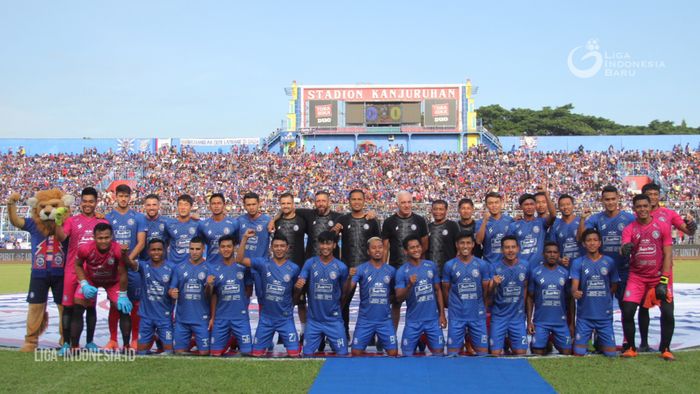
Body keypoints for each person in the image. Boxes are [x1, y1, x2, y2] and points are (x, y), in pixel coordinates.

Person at [6, 190, 69, 352]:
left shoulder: (67, 224)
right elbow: (16, 221)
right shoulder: (34, 225)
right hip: (38, 273)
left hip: (61, 274)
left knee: (64, 307)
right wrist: (11, 205)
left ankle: (65, 340)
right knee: (35, 307)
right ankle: (31, 340)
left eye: (54, 206)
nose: (48, 210)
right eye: (43, 207)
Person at [636, 183, 695, 353]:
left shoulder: (668, 214)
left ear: (659, 196)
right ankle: (644, 343)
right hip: (643, 270)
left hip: (664, 269)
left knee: (667, 309)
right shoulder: (637, 214)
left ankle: (665, 345)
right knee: (643, 307)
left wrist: (691, 226)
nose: (653, 197)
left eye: (655, 194)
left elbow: (688, 231)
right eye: (649, 194)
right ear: (644, 196)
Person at [620, 194, 675, 360]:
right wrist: (625, 249)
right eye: (639, 206)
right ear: (634, 209)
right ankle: (631, 347)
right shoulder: (630, 228)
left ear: (650, 207)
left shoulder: (662, 227)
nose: (642, 209)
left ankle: (665, 348)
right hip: (636, 277)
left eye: (645, 206)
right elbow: (623, 247)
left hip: (658, 277)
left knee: (667, 312)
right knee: (628, 312)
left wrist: (663, 281)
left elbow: (667, 255)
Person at [54, 187, 108, 355]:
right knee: (68, 307)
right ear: (80, 202)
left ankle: (90, 342)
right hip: (71, 270)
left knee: (90, 308)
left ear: (96, 202)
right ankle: (66, 344)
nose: (87, 204)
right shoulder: (71, 220)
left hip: (90, 273)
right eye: (84, 201)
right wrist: (57, 223)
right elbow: (61, 237)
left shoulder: (102, 222)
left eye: (91, 201)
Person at [235, 231, 301, 357]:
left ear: (287, 248)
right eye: (276, 246)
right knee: (256, 354)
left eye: (282, 246)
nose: (279, 249)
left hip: (285, 319)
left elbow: (295, 294)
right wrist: (244, 238)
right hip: (266, 319)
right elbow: (239, 259)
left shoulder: (294, 268)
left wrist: (295, 295)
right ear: (271, 248)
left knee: (294, 354)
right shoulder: (263, 263)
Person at [71, 223, 132, 353]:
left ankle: (126, 346)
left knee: (123, 309)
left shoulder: (118, 250)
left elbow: (123, 273)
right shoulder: (85, 249)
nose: (103, 241)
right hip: (91, 279)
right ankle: (74, 346)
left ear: (112, 237)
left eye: (106, 237)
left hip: (112, 281)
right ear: (94, 237)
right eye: (100, 238)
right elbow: (78, 265)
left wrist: (123, 295)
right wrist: (84, 284)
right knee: (78, 307)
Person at [105, 184, 146, 350]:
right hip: (115, 268)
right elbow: (106, 242)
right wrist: (118, 260)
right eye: (120, 195)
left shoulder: (138, 217)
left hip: (133, 267)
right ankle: (113, 340)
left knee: (135, 304)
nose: (123, 199)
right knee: (115, 304)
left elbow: (141, 242)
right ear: (115, 197)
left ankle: (135, 339)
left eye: (126, 196)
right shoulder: (108, 218)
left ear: (130, 197)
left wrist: (128, 260)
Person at [335, 189, 381, 338]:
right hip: (349, 268)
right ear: (349, 201)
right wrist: (334, 231)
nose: (356, 202)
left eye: (359, 199)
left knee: (370, 302)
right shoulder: (343, 219)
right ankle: (344, 331)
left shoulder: (371, 220)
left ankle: (371, 334)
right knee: (344, 300)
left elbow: (378, 245)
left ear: (364, 201)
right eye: (353, 199)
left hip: (369, 268)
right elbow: (332, 240)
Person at [294, 231, 349, 356]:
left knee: (343, 354)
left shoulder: (341, 267)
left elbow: (343, 294)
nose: (325, 247)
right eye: (322, 244)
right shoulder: (310, 263)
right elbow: (299, 285)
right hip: (314, 321)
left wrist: (337, 310)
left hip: (334, 320)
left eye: (328, 243)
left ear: (334, 245)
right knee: (306, 354)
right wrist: (298, 286)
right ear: (318, 245)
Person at [382, 191, 428, 328]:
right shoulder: (389, 222)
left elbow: (425, 245)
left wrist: (421, 268)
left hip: (415, 269)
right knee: (395, 303)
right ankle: (391, 336)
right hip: (396, 268)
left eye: (409, 202)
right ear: (397, 204)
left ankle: (419, 336)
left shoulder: (420, 220)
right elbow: (385, 248)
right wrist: (384, 269)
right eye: (403, 202)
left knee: (418, 303)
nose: (406, 205)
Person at [345, 237, 398, 356]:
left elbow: (397, 295)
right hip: (365, 320)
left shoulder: (391, 271)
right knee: (355, 352)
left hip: (385, 320)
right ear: (368, 251)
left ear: (384, 250)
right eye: (374, 248)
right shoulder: (360, 269)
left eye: (380, 247)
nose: (377, 250)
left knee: (393, 353)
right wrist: (349, 278)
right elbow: (347, 291)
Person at [570, 229, 619, 357]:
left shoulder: (609, 262)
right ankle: (589, 338)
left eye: (595, 240)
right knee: (578, 353)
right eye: (588, 240)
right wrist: (575, 292)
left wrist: (605, 296)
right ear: (584, 244)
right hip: (585, 316)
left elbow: (614, 285)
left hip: (604, 316)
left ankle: (599, 337)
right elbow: (574, 286)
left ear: (600, 243)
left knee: (611, 354)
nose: (592, 243)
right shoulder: (578, 262)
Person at [395, 236, 446, 356]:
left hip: (432, 320)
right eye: (412, 248)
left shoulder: (431, 266)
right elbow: (398, 298)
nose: (416, 250)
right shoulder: (402, 271)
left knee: (439, 353)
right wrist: (409, 285)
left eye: (417, 246)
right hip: (413, 321)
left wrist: (442, 314)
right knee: (407, 354)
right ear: (406, 251)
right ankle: (420, 339)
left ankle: (423, 339)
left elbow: (438, 290)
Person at [441, 232, 490, 356]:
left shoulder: (482, 265)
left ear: (473, 244)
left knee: (483, 353)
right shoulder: (449, 265)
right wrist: (452, 306)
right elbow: (445, 290)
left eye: (468, 243)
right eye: (462, 243)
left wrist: (480, 306)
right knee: (452, 354)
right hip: (457, 315)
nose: (465, 246)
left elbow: (485, 291)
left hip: (477, 315)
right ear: (457, 245)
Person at [269, 192, 308, 339]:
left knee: (301, 302)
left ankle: (304, 331)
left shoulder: (302, 220)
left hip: (298, 267)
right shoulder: (276, 223)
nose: (285, 206)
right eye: (283, 203)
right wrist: (274, 218)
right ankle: (282, 330)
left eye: (288, 203)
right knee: (280, 299)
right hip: (279, 269)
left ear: (293, 204)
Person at [206, 235, 253, 356]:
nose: (226, 249)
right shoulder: (214, 269)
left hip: (240, 318)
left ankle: (233, 340)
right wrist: (209, 285)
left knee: (247, 353)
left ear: (234, 248)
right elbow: (211, 296)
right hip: (221, 318)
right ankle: (230, 340)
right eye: (223, 247)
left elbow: (248, 290)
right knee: (215, 354)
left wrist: (241, 306)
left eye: (228, 246)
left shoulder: (242, 268)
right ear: (219, 249)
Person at [126, 239, 174, 355]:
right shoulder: (143, 265)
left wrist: (173, 292)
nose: (156, 252)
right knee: (141, 352)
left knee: (169, 352)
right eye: (153, 250)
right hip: (146, 317)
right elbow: (129, 263)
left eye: (159, 249)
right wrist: (124, 254)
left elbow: (175, 288)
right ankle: (154, 336)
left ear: (164, 251)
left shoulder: (172, 268)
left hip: (164, 317)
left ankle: (158, 336)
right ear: (148, 251)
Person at [526, 242, 574, 355]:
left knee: (567, 352)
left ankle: (552, 340)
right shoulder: (535, 272)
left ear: (559, 255)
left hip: (560, 322)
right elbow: (530, 297)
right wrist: (529, 321)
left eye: (555, 252)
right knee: (537, 352)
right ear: (543, 254)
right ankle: (546, 341)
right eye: (549, 252)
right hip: (541, 322)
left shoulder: (565, 273)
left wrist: (572, 324)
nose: (552, 255)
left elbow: (570, 299)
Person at [168, 237, 211, 355]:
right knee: (179, 353)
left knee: (205, 353)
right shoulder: (179, 268)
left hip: (201, 319)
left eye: (198, 249)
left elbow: (212, 295)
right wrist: (172, 292)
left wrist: (210, 286)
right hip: (182, 319)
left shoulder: (209, 268)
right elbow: (171, 288)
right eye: (191, 248)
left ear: (203, 249)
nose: (194, 251)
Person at [489, 236, 529, 356]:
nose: (510, 250)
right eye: (507, 247)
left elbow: (525, 287)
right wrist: (493, 285)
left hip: (517, 316)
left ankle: (510, 342)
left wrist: (524, 309)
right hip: (499, 316)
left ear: (518, 249)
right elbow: (488, 295)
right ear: (502, 250)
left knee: (521, 352)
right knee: (495, 353)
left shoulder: (525, 266)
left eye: (513, 247)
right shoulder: (494, 267)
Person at [507, 190, 555, 267]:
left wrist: (546, 194)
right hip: (521, 267)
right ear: (520, 207)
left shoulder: (542, 222)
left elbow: (553, 215)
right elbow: (509, 247)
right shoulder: (513, 225)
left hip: (539, 267)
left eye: (532, 204)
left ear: (535, 206)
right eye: (526, 204)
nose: (529, 207)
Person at [197, 193, 239, 267]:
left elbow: (238, 243)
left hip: (229, 266)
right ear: (209, 206)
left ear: (224, 205)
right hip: (211, 266)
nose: (216, 206)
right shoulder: (203, 225)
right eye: (213, 203)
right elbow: (199, 245)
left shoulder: (234, 223)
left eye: (219, 203)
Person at [476, 192, 513, 264]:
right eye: (490, 203)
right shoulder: (480, 222)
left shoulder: (510, 220)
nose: (494, 205)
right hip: (489, 263)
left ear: (501, 203)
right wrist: (485, 221)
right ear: (486, 205)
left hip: (507, 264)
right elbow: (478, 241)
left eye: (496, 202)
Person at [426, 199, 460, 276]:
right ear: (431, 210)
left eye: (441, 209)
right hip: (431, 269)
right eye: (435, 209)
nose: (438, 212)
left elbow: (458, 247)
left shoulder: (452, 225)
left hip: (448, 269)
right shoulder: (428, 227)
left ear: (446, 210)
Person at [165, 194, 201, 265]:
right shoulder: (169, 224)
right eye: (180, 205)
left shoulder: (198, 224)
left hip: (192, 266)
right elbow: (165, 243)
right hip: (174, 266)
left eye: (186, 205)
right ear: (177, 207)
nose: (183, 207)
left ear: (191, 207)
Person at [549, 194, 584, 262]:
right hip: (564, 266)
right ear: (558, 207)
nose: (565, 207)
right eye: (562, 205)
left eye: (568, 204)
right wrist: (560, 260)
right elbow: (553, 248)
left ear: (573, 206)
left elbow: (584, 240)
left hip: (581, 265)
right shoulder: (555, 225)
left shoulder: (582, 221)